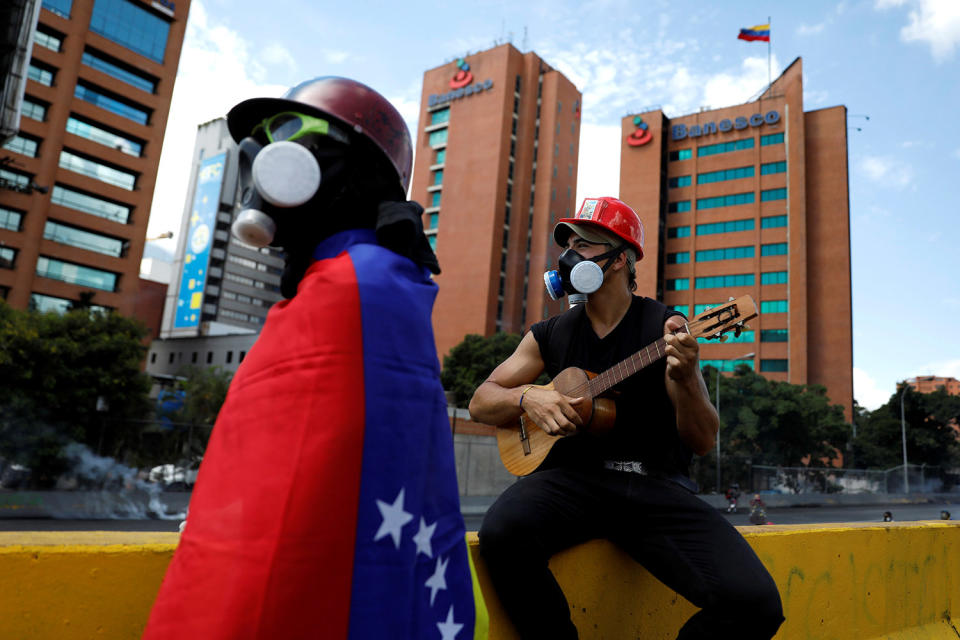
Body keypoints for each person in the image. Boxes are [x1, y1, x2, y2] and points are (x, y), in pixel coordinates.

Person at [144, 77, 486, 639]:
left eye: (286, 136)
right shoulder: (341, 283)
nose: (259, 161)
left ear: (349, 167)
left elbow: (313, 503)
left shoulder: (361, 286)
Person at [470, 197, 783, 640]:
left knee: (755, 604)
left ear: (620, 260)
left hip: (651, 487)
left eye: (583, 245)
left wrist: (688, 375)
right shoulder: (550, 332)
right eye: (568, 246)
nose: (568, 257)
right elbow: (482, 400)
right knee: (500, 535)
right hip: (570, 483)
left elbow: (701, 440)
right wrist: (527, 399)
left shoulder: (665, 327)